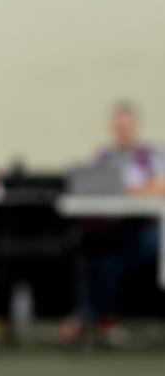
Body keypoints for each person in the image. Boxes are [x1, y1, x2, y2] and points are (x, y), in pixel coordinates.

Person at [63, 100, 165, 345]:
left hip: (146, 231)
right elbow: (93, 188)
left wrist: (129, 191)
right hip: (110, 229)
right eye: (118, 128)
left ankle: (95, 317)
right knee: (92, 251)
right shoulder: (104, 157)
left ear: (136, 126)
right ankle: (90, 317)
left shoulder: (151, 155)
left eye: (127, 127)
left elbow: (160, 186)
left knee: (110, 258)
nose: (122, 132)